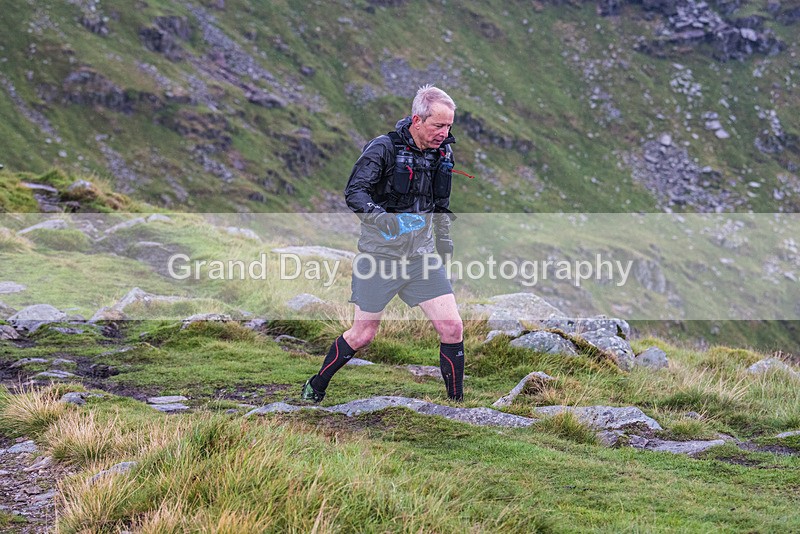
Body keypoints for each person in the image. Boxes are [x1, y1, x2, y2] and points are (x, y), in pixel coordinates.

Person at [301, 84, 465, 403]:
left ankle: (457, 405)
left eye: (448, 126)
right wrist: (382, 218)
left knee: (453, 327)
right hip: (380, 257)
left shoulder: (443, 153)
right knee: (363, 334)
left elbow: (440, 204)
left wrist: (443, 240)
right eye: (438, 125)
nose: (444, 133)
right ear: (417, 120)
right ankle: (316, 385)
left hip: (420, 258)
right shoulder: (384, 148)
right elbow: (355, 192)